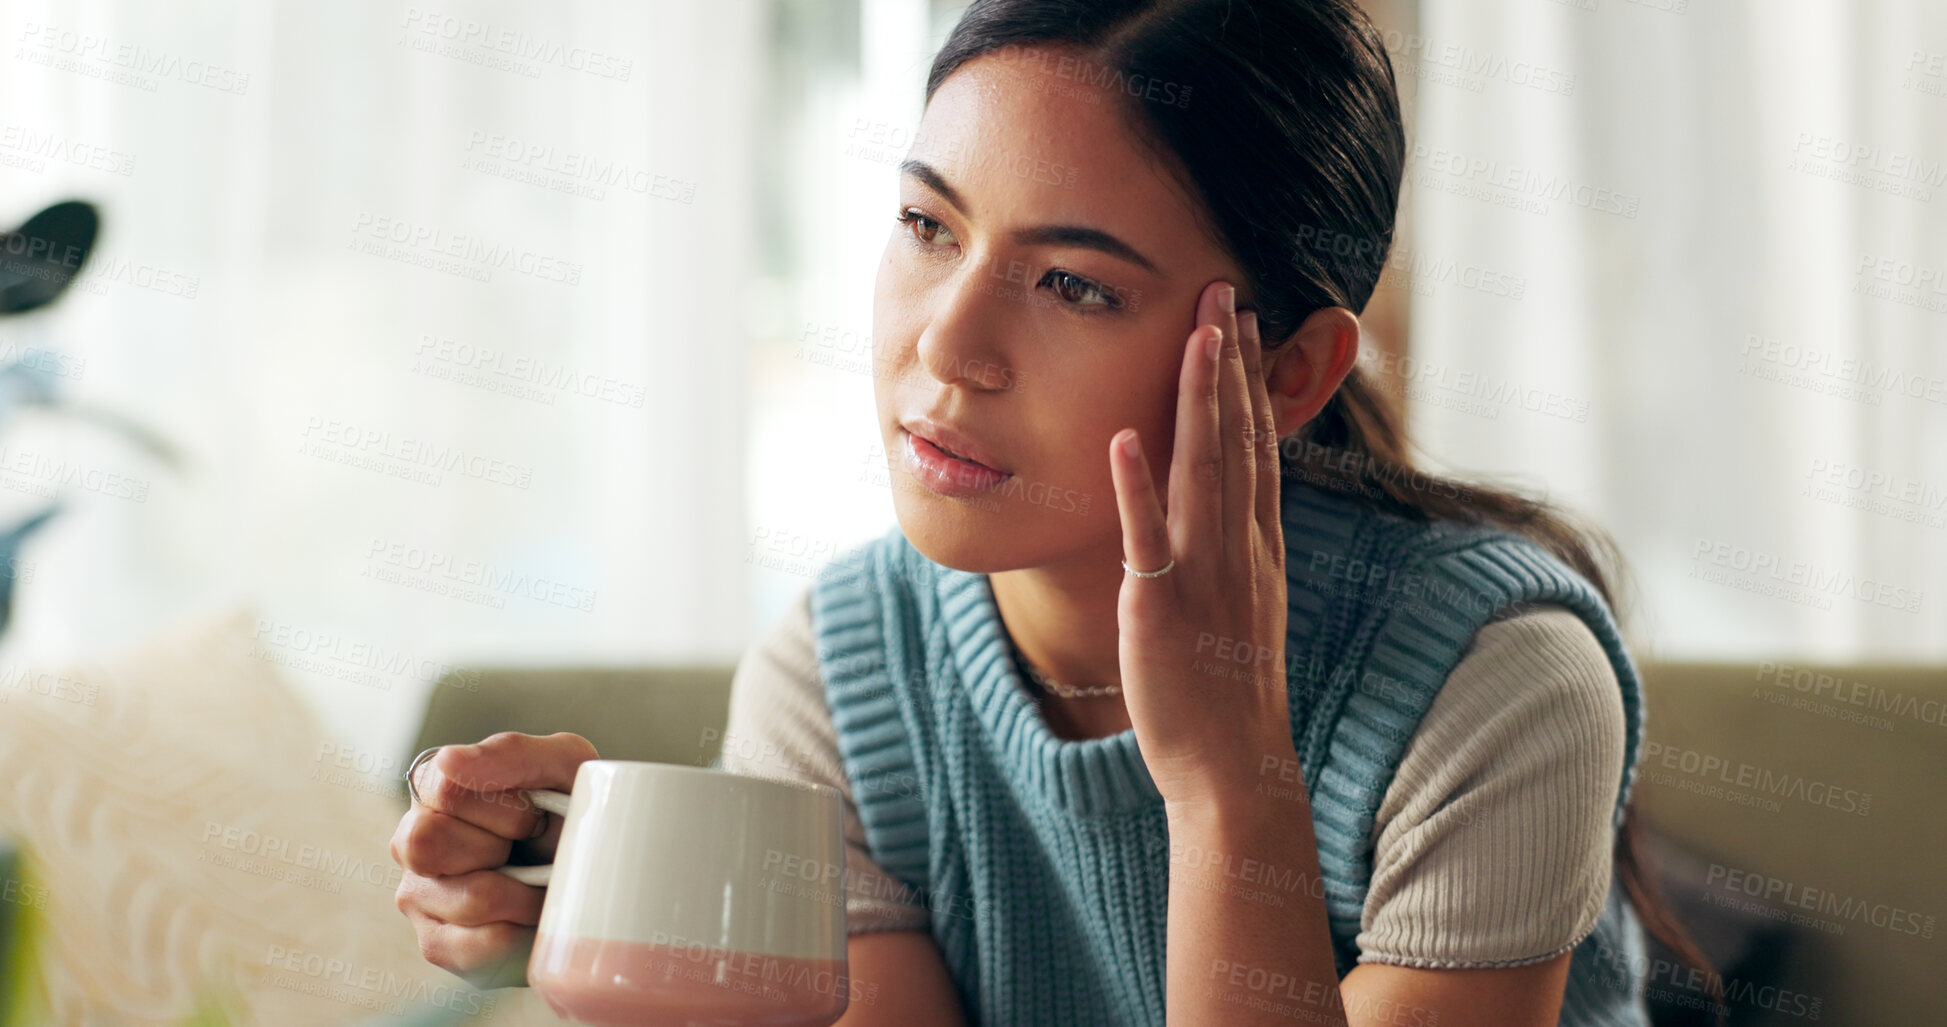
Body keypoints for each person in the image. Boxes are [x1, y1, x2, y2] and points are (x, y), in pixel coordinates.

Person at [392, 1, 1712, 1023]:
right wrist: (634, 921)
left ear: (1286, 371)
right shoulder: (847, 672)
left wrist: (1229, 780)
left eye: (1074, 285)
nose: (948, 345)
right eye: (927, 223)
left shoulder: (1499, 688)